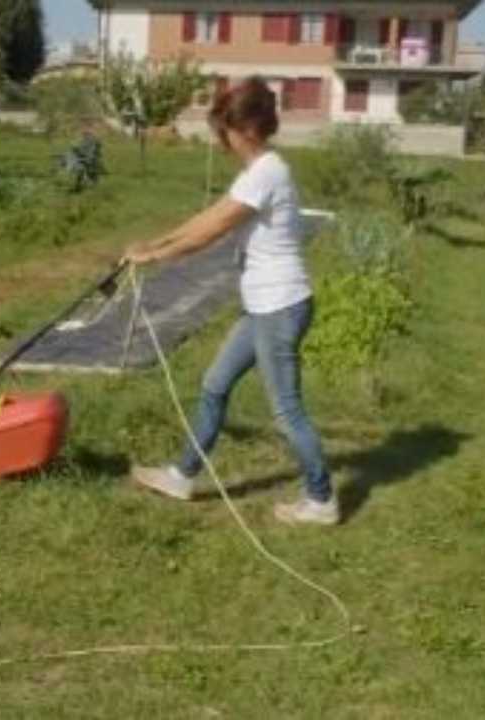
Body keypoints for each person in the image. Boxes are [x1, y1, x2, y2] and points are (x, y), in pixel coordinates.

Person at [122, 76, 337, 526]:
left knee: (286, 410)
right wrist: (153, 242)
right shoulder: (256, 173)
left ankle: (321, 499)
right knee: (215, 385)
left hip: (279, 307)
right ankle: (183, 475)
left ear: (248, 128)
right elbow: (211, 214)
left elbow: (212, 233)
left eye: (226, 130)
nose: (223, 140)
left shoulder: (268, 173)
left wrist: (156, 257)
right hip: (262, 307)